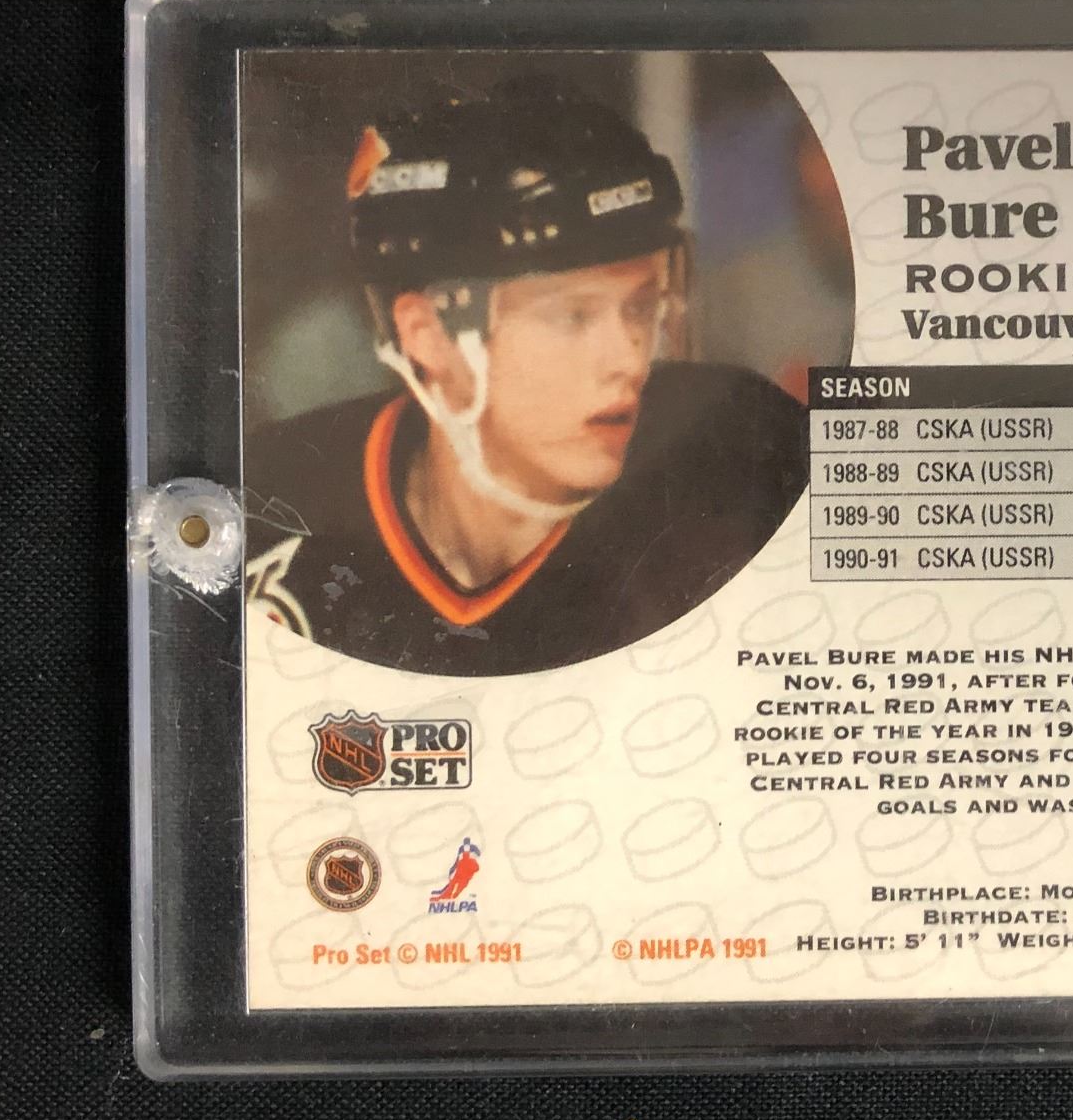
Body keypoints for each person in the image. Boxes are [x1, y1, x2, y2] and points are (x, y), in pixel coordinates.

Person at [244, 80, 809, 675]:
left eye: (640, 307)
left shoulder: (737, 461)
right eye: (572, 316)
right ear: (428, 334)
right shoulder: (274, 501)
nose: (627, 359)